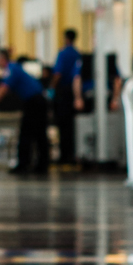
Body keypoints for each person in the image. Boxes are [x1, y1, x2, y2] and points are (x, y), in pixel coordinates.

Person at [0, 46, 50, 174]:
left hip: (35, 102)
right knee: (36, 134)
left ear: (2, 58)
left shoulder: (11, 69)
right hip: (35, 101)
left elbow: (3, 88)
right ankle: (39, 165)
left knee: (28, 133)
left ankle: (26, 165)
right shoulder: (13, 68)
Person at [50, 28, 83, 168]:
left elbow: (58, 73)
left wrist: (51, 88)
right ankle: (72, 154)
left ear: (66, 38)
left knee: (63, 125)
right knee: (72, 125)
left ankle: (64, 156)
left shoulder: (63, 53)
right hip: (75, 92)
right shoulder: (78, 53)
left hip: (64, 92)